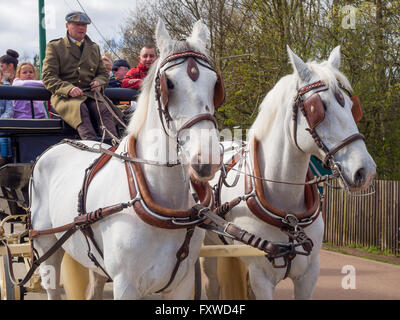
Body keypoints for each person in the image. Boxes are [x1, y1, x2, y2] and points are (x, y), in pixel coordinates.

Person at [42, 11, 121, 141]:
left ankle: (113, 147)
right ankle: (90, 148)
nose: (81, 28)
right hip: (66, 97)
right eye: (77, 24)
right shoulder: (55, 46)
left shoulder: (94, 47)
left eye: (84, 25)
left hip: (91, 95)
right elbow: (48, 76)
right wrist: (68, 89)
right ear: (67, 26)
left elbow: (102, 74)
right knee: (80, 109)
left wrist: (98, 82)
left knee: (103, 109)